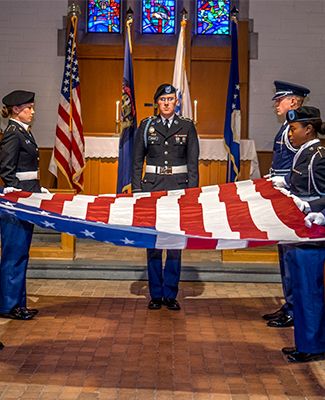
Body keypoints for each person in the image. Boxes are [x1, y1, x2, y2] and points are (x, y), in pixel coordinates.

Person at [132, 83, 199, 311]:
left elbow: (192, 163)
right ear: (157, 103)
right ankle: (155, 294)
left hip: (178, 190)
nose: (167, 103)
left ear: (177, 102)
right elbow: (136, 161)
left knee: (174, 243)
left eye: (171, 99)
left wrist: (192, 193)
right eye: (163, 100)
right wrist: (137, 190)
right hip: (152, 189)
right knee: (153, 242)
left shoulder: (187, 126)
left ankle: (170, 293)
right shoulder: (146, 126)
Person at [270, 106, 325, 362]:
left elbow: (321, 195)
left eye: (294, 129)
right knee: (302, 291)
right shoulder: (305, 153)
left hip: (313, 231)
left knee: (309, 291)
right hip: (300, 228)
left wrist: (315, 210)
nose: (290, 134)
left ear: (309, 129)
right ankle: (306, 341)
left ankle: (313, 345)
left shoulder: (319, 155)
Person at [262, 81, 310, 328]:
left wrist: (285, 180)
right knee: (285, 254)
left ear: (292, 102)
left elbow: (302, 165)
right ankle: (289, 303)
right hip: (282, 194)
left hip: (292, 195)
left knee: (291, 255)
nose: (275, 104)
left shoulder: (296, 130)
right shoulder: (286, 128)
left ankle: (294, 307)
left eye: (279, 100)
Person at [0, 90, 48, 320]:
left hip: (27, 197)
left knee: (21, 254)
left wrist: (37, 189)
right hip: (16, 202)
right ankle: (9, 305)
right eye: (29, 108)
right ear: (17, 110)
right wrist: (15, 193)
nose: (33, 111)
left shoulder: (23, 132)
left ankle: (18, 302)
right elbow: (7, 169)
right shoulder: (13, 133)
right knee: (14, 254)